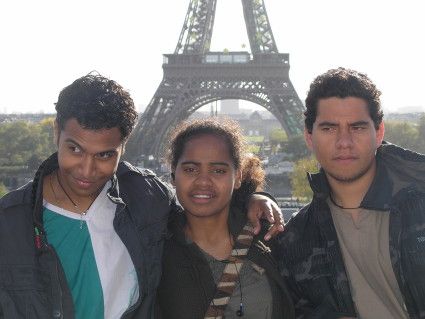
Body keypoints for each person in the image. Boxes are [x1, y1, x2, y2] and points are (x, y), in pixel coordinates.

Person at [0, 73, 284, 319]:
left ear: (123, 147)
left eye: (105, 155)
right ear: (56, 132)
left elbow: (204, 206)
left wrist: (252, 197)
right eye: (75, 149)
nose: (87, 169)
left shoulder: (147, 197)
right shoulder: (8, 223)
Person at [274, 67, 425, 319]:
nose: (344, 141)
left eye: (356, 128)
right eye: (329, 129)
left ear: (379, 133)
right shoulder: (293, 241)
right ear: (309, 137)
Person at [157, 118, 295, 319]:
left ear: (238, 177)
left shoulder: (269, 238)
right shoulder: (154, 252)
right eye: (190, 169)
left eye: (218, 170)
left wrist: (256, 197)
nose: (203, 181)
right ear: (172, 175)